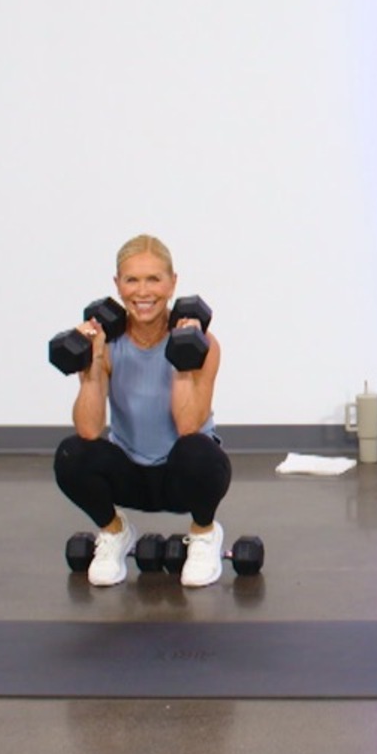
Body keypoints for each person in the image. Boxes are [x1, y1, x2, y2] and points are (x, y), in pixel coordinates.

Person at [53, 235, 232, 587]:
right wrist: (94, 361)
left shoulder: (204, 345)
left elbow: (188, 426)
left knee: (199, 451)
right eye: (132, 280)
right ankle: (115, 531)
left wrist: (182, 359)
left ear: (173, 283)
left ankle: (204, 534)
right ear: (117, 285)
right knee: (71, 454)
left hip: (182, 477)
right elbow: (89, 430)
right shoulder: (108, 343)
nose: (143, 291)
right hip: (130, 474)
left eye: (154, 279)